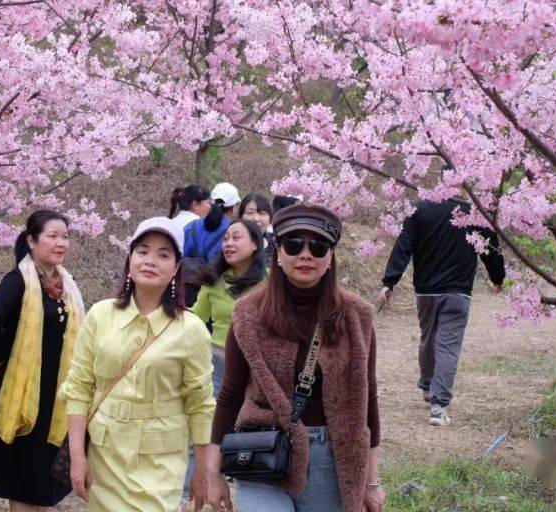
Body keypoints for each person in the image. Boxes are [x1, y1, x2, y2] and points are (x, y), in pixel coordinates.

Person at [206, 204, 383, 512]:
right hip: (263, 449)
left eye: (317, 246)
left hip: (332, 458)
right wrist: (212, 471)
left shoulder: (357, 318)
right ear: (278, 253)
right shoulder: (249, 314)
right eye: (293, 244)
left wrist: (372, 482)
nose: (305, 255)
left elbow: (367, 399)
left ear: (330, 258)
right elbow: (230, 395)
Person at [59, 217, 216, 512]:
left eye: (163, 254)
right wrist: (78, 456)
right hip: (105, 455)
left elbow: (200, 404)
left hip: (159, 462)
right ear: (130, 258)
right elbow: (79, 388)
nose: (151, 261)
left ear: (177, 267)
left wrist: (204, 469)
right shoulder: (100, 315)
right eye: (142, 251)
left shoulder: (191, 329)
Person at [0, 210, 85, 510]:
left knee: (44, 480)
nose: (61, 243)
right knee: (24, 479)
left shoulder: (65, 284)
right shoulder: (20, 280)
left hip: (57, 394)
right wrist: (9, 357)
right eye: (52, 236)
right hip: (25, 391)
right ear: (32, 241)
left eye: (65, 236)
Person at [379, 193, 505, 426]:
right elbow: (490, 248)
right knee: (448, 347)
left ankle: (428, 386)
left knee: (428, 338)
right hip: (458, 292)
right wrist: (497, 277)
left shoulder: (419, 209)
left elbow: (403, 245)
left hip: (426, 290)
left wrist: (390, 282)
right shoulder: (475, 213)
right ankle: (438, 406)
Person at [191, 219, 268, 393]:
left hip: (258, 365)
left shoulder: (271, 282)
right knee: (216, 416)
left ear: (255, 244)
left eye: (236, 238)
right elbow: (197, 316)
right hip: (218, 364)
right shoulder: (213, 280)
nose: (229, 244)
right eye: (226, 239)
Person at [183, 182, 241, 305]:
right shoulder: (233, 233)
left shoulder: (191, 226)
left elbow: (179, 254)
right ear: (234, 206)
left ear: (211, 202)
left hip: (185, 290)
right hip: (215, 293)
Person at [239, 192, 275, 260]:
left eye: (262, 213)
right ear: (241, 217)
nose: (256, 219)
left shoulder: (276, 246)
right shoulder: (231, 244)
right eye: (250, 213)